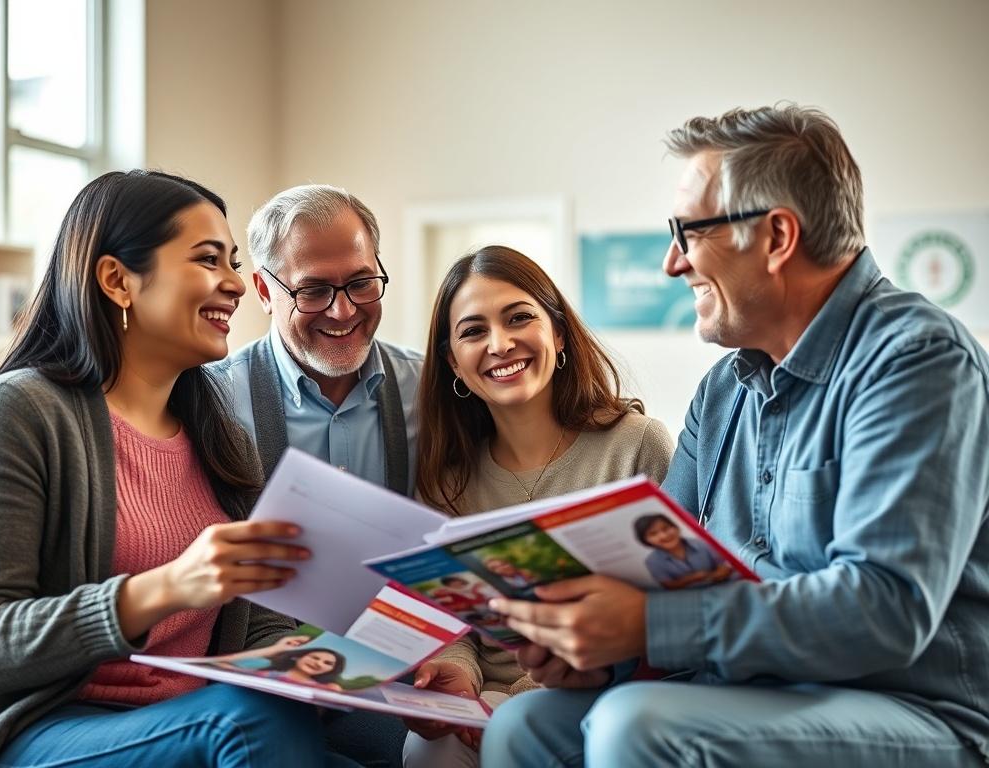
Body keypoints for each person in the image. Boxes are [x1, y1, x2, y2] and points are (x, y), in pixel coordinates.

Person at [480, 105, 989, 768]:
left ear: (777, 237)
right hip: (746, 693)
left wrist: (646, 627)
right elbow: (658, 573)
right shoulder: (724, 390)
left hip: (914, 708)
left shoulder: (917, 360)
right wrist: (596, 650)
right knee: (522, 724)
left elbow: (885, 609)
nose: (672, 263)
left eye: (687, 232)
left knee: (637, 726)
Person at [0, 170, 335, 767]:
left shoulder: (223, 438)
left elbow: (260, 625)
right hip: (55, 728)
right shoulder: (21, 411)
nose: (237, 284)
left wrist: (307, 659)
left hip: (207, 719)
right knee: (248, 724)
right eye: (209, 259)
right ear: (117, 280)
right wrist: (163, 588)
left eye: (233, 261)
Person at [403, 245, 674, 768]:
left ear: (560, 333)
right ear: (452, 361)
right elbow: (447, 617)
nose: (499, 344)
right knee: (425, 750)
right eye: (473, 331)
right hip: (481, 703)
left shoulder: (636, 445)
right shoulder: (446, 478)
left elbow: (668, 604)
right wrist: (456, 680)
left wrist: (518, 699)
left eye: (519, 318)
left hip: (600, 693)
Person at [217, 184, 422, 496]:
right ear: (264, 291)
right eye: (313, 290)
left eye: (361, 282)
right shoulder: (215, 401)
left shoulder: (426, 388)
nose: (343, 311)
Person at [633, 514, 731, 589]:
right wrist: (693, 578)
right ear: (645, 540)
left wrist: (719, 574)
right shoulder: (652, 561)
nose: (663, 535)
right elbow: (669, 585)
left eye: (666, 528)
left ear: (676, 527)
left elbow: (723, 565)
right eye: (653, 534)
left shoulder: (702, 543)